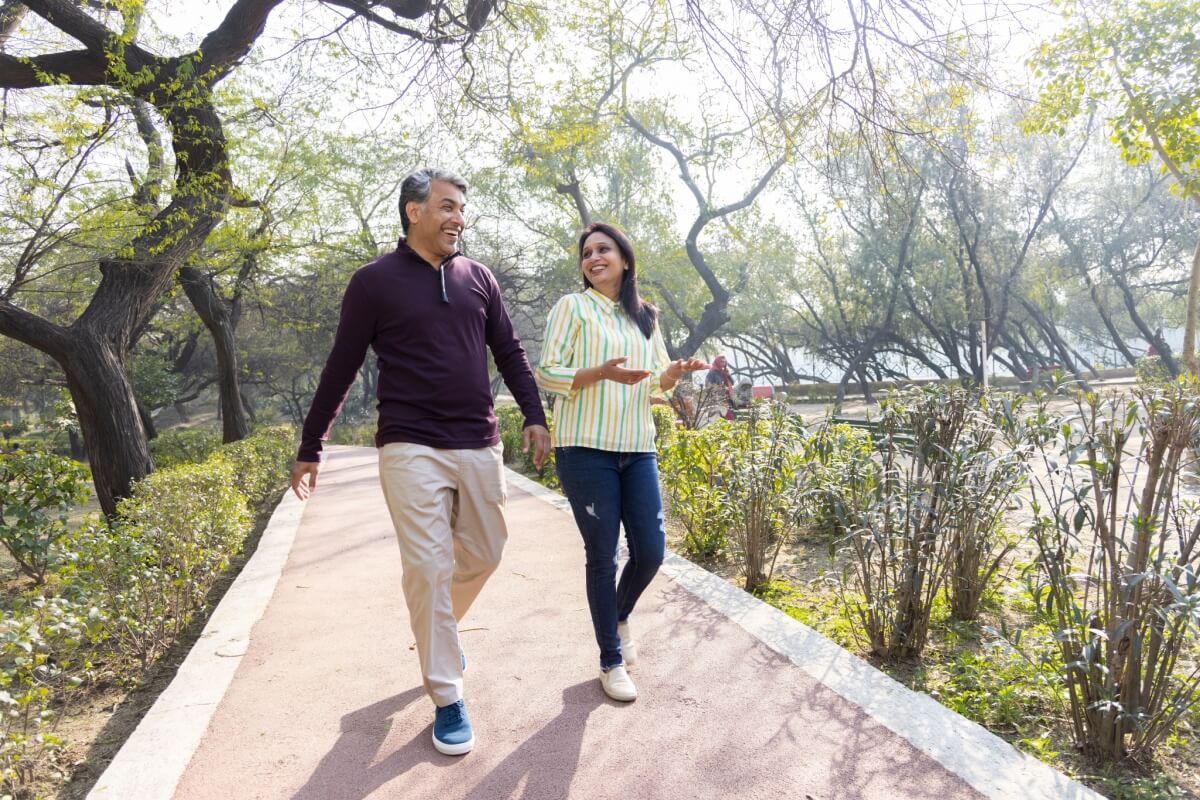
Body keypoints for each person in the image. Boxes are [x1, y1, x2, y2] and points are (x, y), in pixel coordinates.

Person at [290, 168, 551, 757]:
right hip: (410, 444)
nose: (458, 217)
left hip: (479, 441)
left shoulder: (478, 279)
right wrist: (312, 444)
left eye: (462, 209)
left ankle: (441, 633)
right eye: (447, 206)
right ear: (414, 211)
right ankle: (447, 694)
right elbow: (341, 365)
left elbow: (509, 351)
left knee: (487, 552)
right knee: (429, 566)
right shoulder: (373, 282)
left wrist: (533, 414)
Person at [535, 222, 707, 702]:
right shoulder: (572, 308)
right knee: (603, 556)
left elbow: (653, 386)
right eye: (586, 252)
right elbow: (546, 374)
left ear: (625, 260)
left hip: (637, 448)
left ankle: (619, 613)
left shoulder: (645, 317)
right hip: (584, 448)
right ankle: (610, 661)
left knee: (651, 550)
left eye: (603, 249)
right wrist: (599, 373)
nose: (593, 258)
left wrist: (671, 374)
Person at [706, 354, 735, 418]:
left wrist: (727, 374)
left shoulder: (723, 372)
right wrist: (716, 393)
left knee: (732, 417)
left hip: (727, 399)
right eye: (722, 362)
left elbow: (732, 383)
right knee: (724, 419)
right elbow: (708, 386)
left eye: (724, 362)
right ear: (717, 362)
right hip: (717, 400)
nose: (723, 364)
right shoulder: (712, 373)